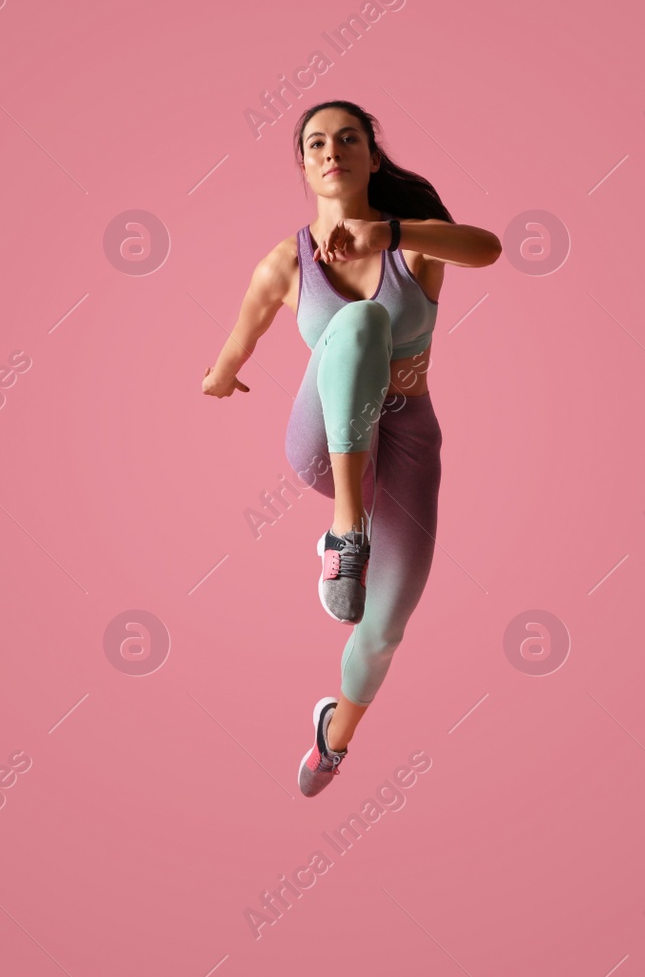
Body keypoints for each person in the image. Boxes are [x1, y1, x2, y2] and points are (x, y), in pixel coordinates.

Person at [202, 100, 501, 797]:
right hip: (326, 451)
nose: (331, 149)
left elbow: (487, 248)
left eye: (347, 138)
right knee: (362, 321)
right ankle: (343, 530)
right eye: (315, 143)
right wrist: (219, 378)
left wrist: (387, 235)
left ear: (370, 153)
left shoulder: (414, 239)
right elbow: (233, 349)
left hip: (406, 445)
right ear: (305, 167)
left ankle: (331, 739)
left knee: (385, 627)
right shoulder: (285, 263)